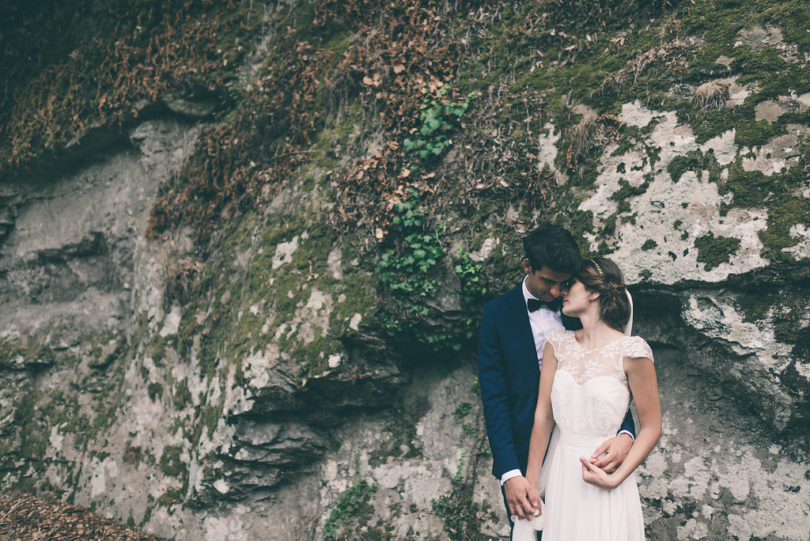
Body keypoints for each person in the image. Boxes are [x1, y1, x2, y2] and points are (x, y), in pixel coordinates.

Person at [477, 224, 636, 536]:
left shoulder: (578, 307)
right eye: (548, 281)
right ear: (528, 266)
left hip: (587, 458)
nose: (554, 293)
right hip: (525, 459)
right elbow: (494, 399)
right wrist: (511, 472)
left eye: (563, 284)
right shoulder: (497, 315)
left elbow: (609, 377)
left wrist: (625, 434)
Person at [524, 257, 662, 540]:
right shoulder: (557, 344)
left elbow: (651, 426)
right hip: (562, 471)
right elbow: (544, 415)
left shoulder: (633, 351)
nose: (560, 291)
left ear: (593, 292)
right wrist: (532, 480)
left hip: (602, 476)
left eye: (569, 284)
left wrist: (615, 478)